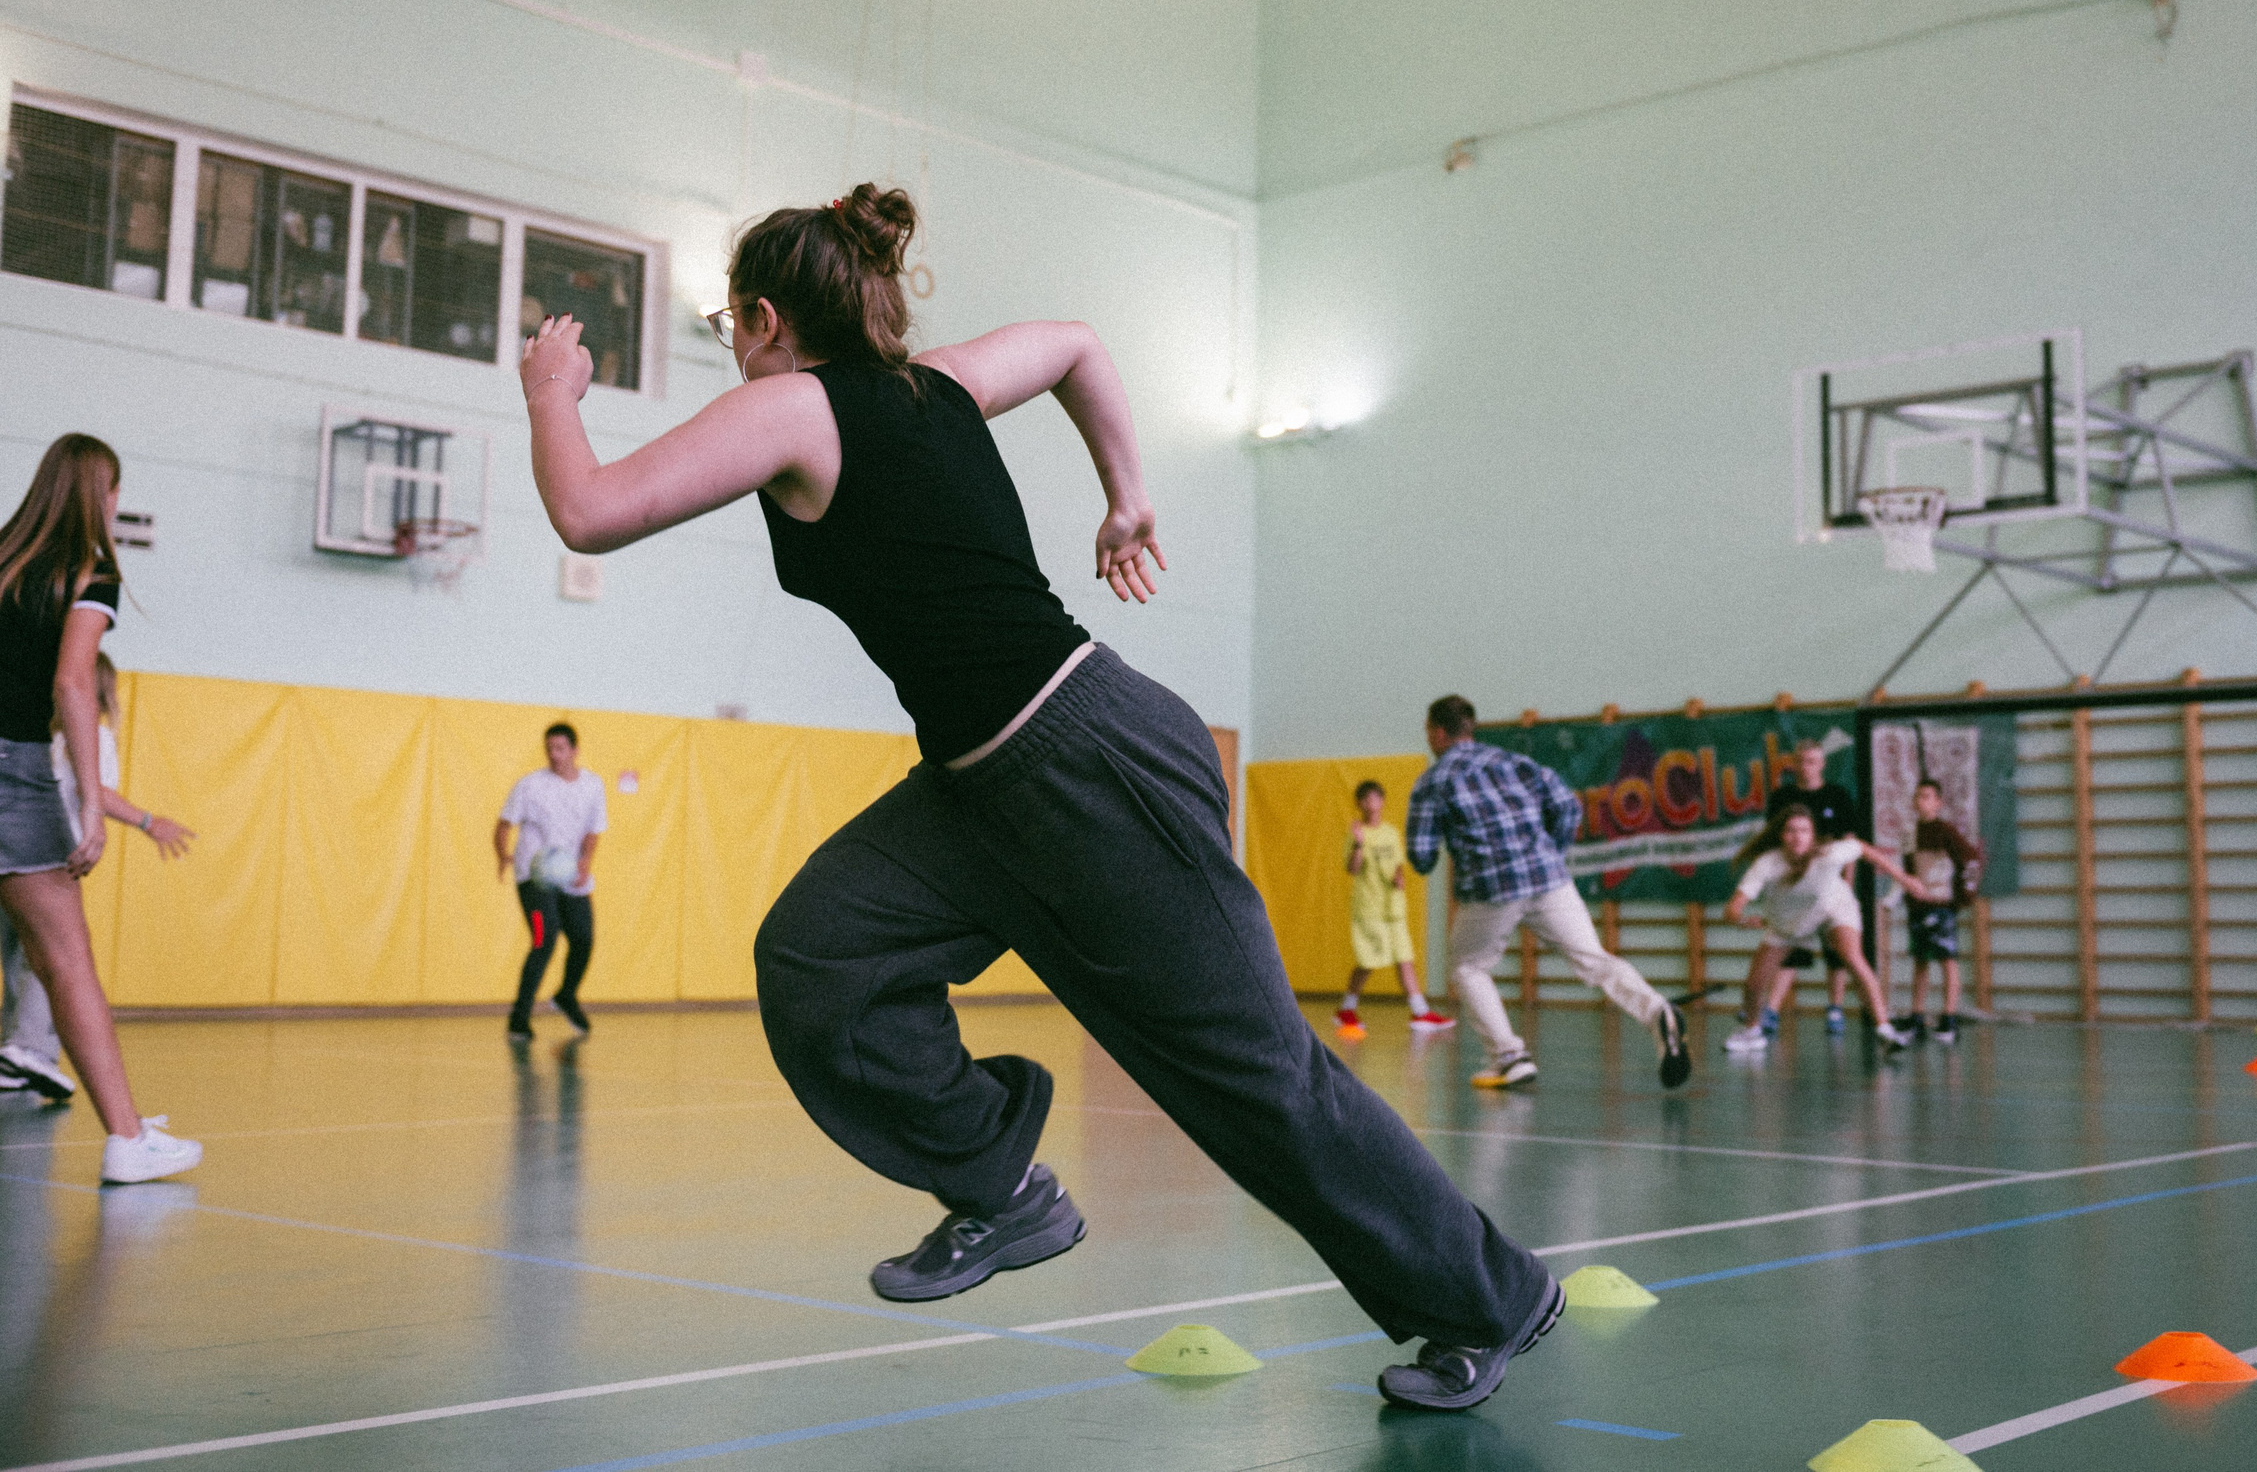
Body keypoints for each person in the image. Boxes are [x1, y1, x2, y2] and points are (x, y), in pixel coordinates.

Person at [514, 184, 1561, 1411]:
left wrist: (551, 395)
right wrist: (1125, 492)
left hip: (1087, 762)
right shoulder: (939, 384)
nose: (731, 346)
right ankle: (1002, 1185)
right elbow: (1076, 347)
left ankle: (1487, 1298)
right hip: (973, 793)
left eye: (726, 324)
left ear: (761, 318)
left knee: (1255, 1079)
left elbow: (588, 512)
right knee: (821, 955)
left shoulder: (792, 401)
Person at [0, 433, 200, 1181]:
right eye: (114, 491)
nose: (116, 504)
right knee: (66, 959)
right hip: (15, 769)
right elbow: (73, 683)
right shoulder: (90, 571)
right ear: (99, 494)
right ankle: (127, 1138)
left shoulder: (3, 556)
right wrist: (90, 806)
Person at [1405, 695, 1690, 1092]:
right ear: (1469, 728)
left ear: (1438, 732)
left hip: (1491, 888)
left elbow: (1420, 856)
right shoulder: (1515, 762)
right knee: (1593, 960)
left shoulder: (1433, 781)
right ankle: (1659, 1011)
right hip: (1550, 879)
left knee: (1468, 968)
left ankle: (1509, 1056)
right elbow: (1567, 807)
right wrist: (1547, 853)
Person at [1, 653, 196, 1103]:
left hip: (11, 858)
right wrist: (148, 821)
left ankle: (14, 1051)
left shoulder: (37, 738)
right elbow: (97, 792)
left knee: (18, 954)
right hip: (51, 858)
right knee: (51, 955)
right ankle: (28, 1049)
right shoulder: (91, 734)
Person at [1720, 805, 1923, 1055]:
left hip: (1833, 908)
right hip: (1787, 924)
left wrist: (1904, 879)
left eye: (1804, 831)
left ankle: (1885, 1029)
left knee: (1851, 956)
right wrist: (1741, 920)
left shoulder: (1829, 854)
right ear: (1781, 835)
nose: (1798, 837)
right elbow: (1732, 909)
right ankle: (1752, 1032)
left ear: (1813, 836)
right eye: (1791, 830)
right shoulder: (1767, 864)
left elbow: (1863, 848)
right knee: (1753, 985)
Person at [1741, 738, 1863, 1036]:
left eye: (1812, 761)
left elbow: (1851, 844)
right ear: (1793, 764)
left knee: (1837, 950)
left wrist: (1848, 885)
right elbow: (1771, 842)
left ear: (1822, 764)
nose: (1806, 767)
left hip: (1830, 888)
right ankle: (1772, 1009)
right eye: (1801, 761)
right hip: (1794, 889)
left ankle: (1835, 1008)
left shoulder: (1837, 795)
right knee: (1787, 948)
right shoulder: (1783, 797)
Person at [494, 721, 608, 1038]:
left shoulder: (593, 785)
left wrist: (585, 861)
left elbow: (593, 830)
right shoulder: (530, 785)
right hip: (534, 876)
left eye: (560, 748)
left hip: (569, 874)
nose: (554, 755)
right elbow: (503, 824)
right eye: (549, 749)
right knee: (545, 939)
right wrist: (502, 854)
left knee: (583, 939)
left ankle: (566, 995)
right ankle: (519, 1018)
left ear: (574, 750)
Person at [1335, 780, 1456, 1040]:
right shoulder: (1356, 833)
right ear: (1359, 804)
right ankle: (1346, 1009)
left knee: (1404, 958)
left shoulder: (1390, 832)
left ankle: (1420, 1012)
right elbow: (1352, 869)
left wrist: (1399, 876)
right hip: (1369, 907)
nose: (1372, 803)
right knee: (1368, 962)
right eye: (1366, 799)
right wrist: (1358, 843)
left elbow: (1398, 863)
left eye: (1376, 798)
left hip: (1394, 908)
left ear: (1382, 801)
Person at [1897, 778, 1981, 1044]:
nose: (1921, 801)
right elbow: (1908, 871)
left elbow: (1971, 859)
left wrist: (1962, 896)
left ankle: (1949, 1018)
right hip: (1918, 906)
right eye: (1917, 796)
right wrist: (1908, 896)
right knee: (1920, 960)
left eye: (1927, 796)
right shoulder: (1910, 833)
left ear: (1938, 802)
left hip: (1941, 906)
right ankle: (1917, 1016)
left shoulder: (1945, 831)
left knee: (1947, 959)